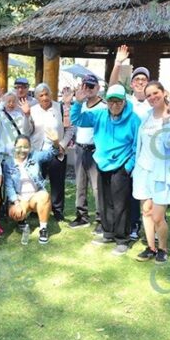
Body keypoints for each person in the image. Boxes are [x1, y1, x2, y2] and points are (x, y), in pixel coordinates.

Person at [69, 84, 141, 255]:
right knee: (104, 201)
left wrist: (128, 166)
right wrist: (77, 103)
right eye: (111, 101)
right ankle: (108, 233)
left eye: (118, 101)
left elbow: (137, 146)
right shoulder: (99, 114)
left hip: (122, 165)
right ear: (106, 101)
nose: (114, 105)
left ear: (124, 101)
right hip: (102, 164)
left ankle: (122, 239)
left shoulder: (134, 119)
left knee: (121, 204)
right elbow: (77, 120)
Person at [132, 81, 170, 264]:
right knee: (146, 211)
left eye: (156, 93)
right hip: (143, 171)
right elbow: (141, 143)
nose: (152, 97)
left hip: (162, 172)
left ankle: (162, 248)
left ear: (164, 93)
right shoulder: (146, 116)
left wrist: (166, 122)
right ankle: (151, 247)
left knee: (158, 216)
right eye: (149, 95)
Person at [109, 45, 152, 240]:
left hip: (148, 153)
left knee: (144, 191)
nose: (140, 82)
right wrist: (118, 63)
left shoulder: (154, 101)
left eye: (144, 80)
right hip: (128, 153)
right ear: (132, 83)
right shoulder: (126, 100)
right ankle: (129, 224)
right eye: (137, 79)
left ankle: (146, 224)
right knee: (127, 191)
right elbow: (112, 86)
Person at [3, 129, 60, 245]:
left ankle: (43, 229)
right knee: (16, 214)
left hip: (34, 196)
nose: (22, 150)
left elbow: (51, 153)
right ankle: (22, 219)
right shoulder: (8, 163)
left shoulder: (35, 156)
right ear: (14, 147)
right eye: (19, 147)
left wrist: (55, 142)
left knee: (44, 195)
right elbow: (8, 186)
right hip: (19, 198)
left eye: (26, 147)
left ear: (30, 148)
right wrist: (16, 203)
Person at [30, 83, 74, 221]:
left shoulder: (60, 107)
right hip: (38, 151)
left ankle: (57, 210)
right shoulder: (32, 110)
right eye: (41, 95)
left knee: (57, 183)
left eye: (46, 94)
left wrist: (62, 144)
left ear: (51, 94)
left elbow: (70, 129)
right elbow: (27, 131)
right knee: (37, 181)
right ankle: (36, 208)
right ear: (37, 98)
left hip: (57, 151)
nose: (44, 97)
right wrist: (25, 116)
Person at [69, 74, 107, 230]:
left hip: (95, 150)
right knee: (80, 185)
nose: (88, 89)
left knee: (97, 188)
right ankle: (82, 216)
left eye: (91, 86)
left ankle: (101, 219)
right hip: (80, 148)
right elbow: (74, 121)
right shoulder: (80, 104)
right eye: (85, 86)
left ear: (98, 88)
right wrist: (76, 102)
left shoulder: (104, 106)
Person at [0, 91, 33, 163]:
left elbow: (26, 131)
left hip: (15, 154)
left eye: (13, 101)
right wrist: (0, 105)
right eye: (8, 101)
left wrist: (27, 116)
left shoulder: (19, 115)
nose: (11, 104)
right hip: (0, 154)